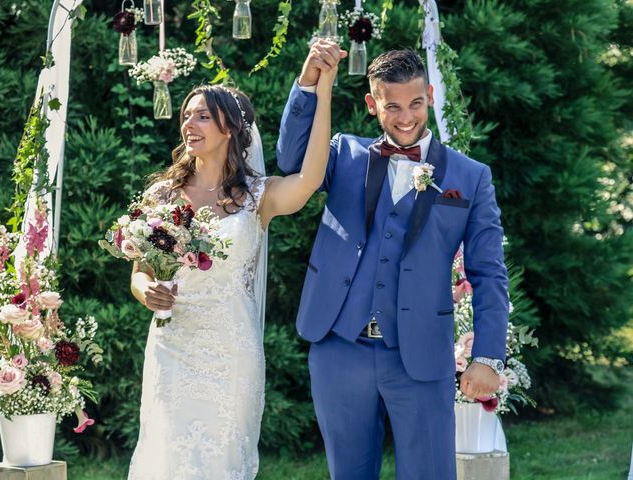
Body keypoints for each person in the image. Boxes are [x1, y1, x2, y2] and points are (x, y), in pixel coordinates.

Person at [277, 41, 509, 480]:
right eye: (393, 106)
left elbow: (488, 272)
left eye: (416, 103)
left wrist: (488, 356)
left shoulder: (471, 177)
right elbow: (291, 160)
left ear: (431, 99)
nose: (406, 117)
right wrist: (309, 82)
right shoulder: (343, 153)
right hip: (338, 347)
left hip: (419, 354)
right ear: (371, 104)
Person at [127, 65, 337, 479]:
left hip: (232, 350)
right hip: (173, 347)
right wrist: (147, 291)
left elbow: (311, 178)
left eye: (202, 115)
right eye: (187, 114)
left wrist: (324, 89)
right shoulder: (161, 194)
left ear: (230, 128)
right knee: (167, 452)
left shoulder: (259, 196)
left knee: (222, 457)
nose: (189, 122)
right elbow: (139, 272)